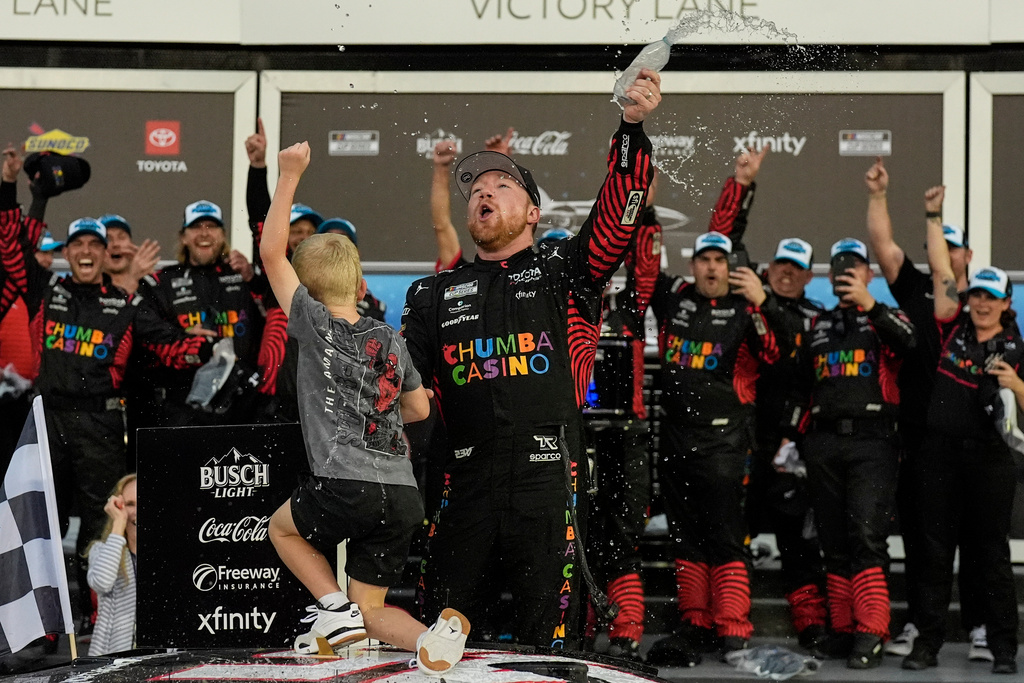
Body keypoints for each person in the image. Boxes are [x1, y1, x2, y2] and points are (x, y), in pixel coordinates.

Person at [402, 72, 661, 649]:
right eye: (475, 190)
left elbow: (619, 214)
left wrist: (632, 128)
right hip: (460, 483)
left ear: (535, 212)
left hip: (550, 481)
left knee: (553, 646)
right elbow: (401, 391)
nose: (484, 193)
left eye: (501, 185)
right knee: (437, 646)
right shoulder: (432, 293)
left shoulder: (566, 272)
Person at [261, 140, 469, 674]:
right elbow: (420, 409)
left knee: (281, 530)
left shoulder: (310, 320)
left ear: (304, 290)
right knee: (370, 610)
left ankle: (329, 609)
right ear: (359, 282)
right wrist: (374, 412)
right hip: (401, 492)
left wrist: (288, 175)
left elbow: (270, 253)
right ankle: (434, 639)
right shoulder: (390, 336)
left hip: (343, 481)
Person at [863, 158, 993, 662]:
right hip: (918, 436)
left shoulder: (977, 302)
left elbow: (943, 273)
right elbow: (883, 247)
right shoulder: (915, 287)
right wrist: (878, 195)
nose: (945, 255)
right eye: (941, 247)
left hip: (973, 438)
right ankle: (919, 622)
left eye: (954, 247)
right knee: (922, 539)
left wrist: (933, 216)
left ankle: (980, 625)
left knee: (978, 539)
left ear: (968, 254)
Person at [704, 149, 828, 649]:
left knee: (799, 539)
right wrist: (741, 184)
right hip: (744, 432)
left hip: (793, 441)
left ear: (807, 276)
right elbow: (723, 240)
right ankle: (724, 624)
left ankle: (811, 623)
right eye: (781, 265)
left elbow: (801, 357)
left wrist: (765, 303)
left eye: (797, 269)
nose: (786, 273)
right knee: (734, 533)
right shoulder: (748, 289)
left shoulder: (817, 316)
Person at [639, 227, 779, 666]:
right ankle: (695, 620)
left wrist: (762, 303)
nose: (713, 266)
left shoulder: (744, 309)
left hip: (725, 443)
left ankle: (733, 625)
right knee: (686, 538)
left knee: (724, 537)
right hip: (677, 441)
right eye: (705, 259)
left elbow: (777, 357)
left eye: (720, 260)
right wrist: (646, 204)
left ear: (730, 266)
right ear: (693, 265)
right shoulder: (674, 300)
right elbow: (643, 263)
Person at [898, 186, 1021, 674]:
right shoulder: (951, 324)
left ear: (1007, 303)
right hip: (938, 455)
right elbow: (942, 270)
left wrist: (1016, 384)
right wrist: (932, 214)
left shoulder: (1018, 348)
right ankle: (927, 646)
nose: (982, 304)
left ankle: (1004, 648)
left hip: (990, 460)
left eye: (992, 298)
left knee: (989, 557)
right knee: (931, 554)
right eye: (977, 296)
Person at [783, 238, 916, 669]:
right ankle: (842, 628)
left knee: (866, 538)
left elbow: (910, 344)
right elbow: (804, 384)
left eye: (855, 268)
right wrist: (791, 439)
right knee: (833, 541)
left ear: (868, 275)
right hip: (823, 441)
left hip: (871, 440)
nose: (846, 275)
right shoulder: (818, 324)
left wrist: (870, 304)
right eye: (839, 267)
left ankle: (871, 631)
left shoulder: (886, 316)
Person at [134, 200, 262, 428]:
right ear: (183, 237)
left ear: (223, 235)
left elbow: (271, 320)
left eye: (211, 227)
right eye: (196, 227)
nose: (204, 233)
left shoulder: (243, 277)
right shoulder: (162, 282)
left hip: (241, 403)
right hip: (182, 405)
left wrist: (253, 279)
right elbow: (145, 333)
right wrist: (183, 338)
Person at [85, 474, 138, 656]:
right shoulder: (101, 550)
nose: (137, 511)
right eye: (130, 504)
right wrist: (119, 523)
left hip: (162, 664)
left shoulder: (172, 557)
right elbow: (101, 582)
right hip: (112, 660)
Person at [99, 214, 160, 295]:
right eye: (108, 239)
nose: (115, 244)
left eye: (121, 237)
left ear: (131, 244)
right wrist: (131, 282)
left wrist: (152, 279)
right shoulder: (88, 288)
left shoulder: (149, 282)